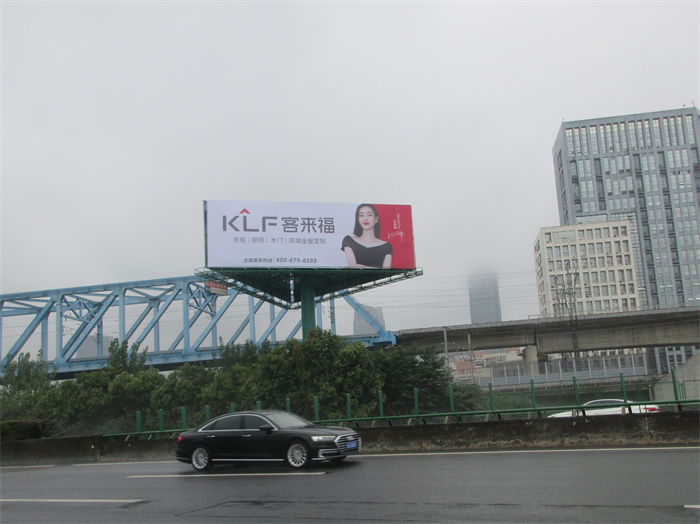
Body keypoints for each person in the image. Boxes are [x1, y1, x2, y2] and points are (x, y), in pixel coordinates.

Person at [342, 204, 393, 268]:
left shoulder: (387, 246)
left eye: (369, 215)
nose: (365, 219)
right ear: (358, 219)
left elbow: (386, 270)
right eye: (361, 215)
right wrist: (378, 270)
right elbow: (352, 265)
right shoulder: (349, 241)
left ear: (376, 219)